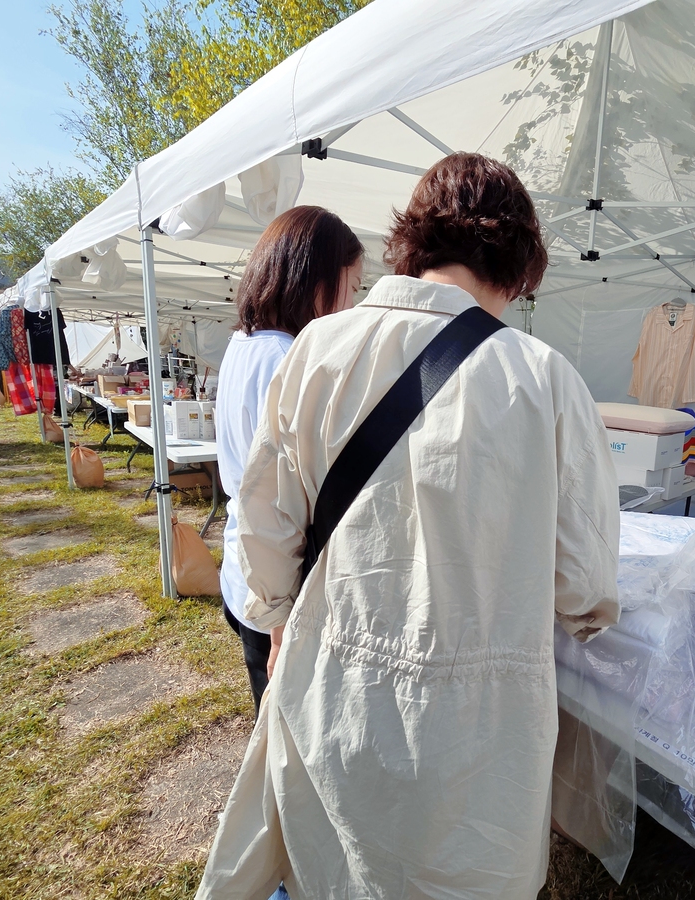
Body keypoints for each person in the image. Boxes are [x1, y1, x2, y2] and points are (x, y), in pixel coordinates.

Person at [197, 153, 620, 899]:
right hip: (481, 730)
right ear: (522, 264)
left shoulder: (316, 352)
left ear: (411, 242)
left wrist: (273, 615)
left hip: (335, 690)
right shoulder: (546, 378)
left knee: (334, 867)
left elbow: (262, 530)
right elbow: (581, 581)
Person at [215, 206, 364, 714]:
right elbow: (283, 500)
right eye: (353, 286)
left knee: (270, 714)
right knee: (286, 730)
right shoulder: (288, 360)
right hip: (276, 579)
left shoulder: (245, 344)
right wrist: (283, 623)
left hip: (245, 566)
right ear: (316, 281)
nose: (352, 303)